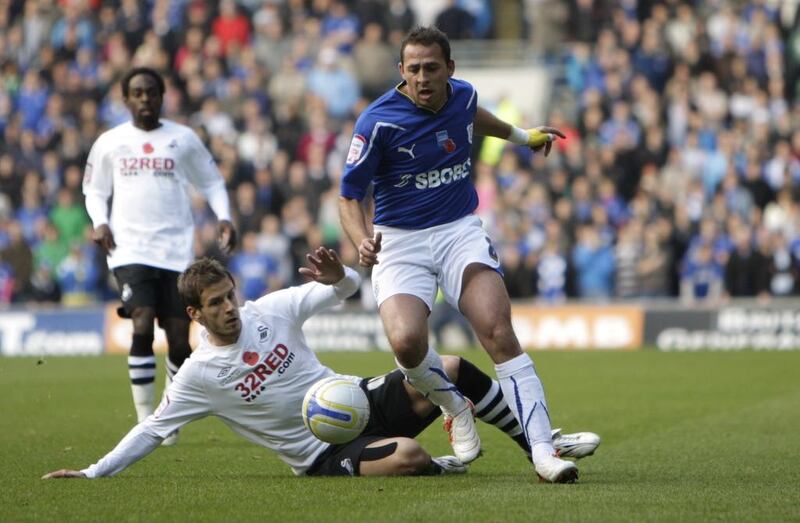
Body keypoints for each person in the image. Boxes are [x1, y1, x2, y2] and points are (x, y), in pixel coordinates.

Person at [42, 249, 599, 480]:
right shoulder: (198, 377)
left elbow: (348, 290)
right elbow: (151, 430)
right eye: (216, 304)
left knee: (449, 365)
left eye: (230, 296)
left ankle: (538, 444)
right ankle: (439, 465)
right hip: (324, 450)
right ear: (195, 312)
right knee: (408, 455)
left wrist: (337, 276)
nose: (230, 309)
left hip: (354, 396)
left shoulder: (269, 311)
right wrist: (93, 472)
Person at [338, 26, 578, 482]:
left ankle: (544, 453)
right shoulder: (377, 121)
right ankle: (453, 404)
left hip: (457, 232)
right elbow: (348, 194)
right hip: (399, 240)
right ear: (401, 72)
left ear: (450, 68)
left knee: (498, 332)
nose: (423, 78)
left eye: (432, 68)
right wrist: (360, 239)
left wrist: (523, 137)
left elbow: (474, 118)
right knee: (407, 344)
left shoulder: (463, 96)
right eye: (413, 70)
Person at [82, 67, 237, 445]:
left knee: (180, 337)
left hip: (175, 250)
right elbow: (94, 190)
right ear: (126, 99)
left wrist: (225, 216)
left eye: (151, 92)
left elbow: (212, 181)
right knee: (141, 320)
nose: (144, 99)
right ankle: (143, 420)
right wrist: (100, 223)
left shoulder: (182, 139)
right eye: (137, 93)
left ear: (162, 95)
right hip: (128, 249)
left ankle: (168, 414)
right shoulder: (110, 142)